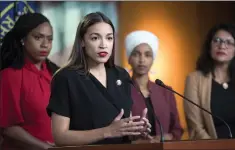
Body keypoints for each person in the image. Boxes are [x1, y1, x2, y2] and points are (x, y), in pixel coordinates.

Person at [46, 12, 151, 146]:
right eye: (95, 38)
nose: (103, 45)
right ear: (82, 41)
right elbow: (60, 137)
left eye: (109, 38)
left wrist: (135, 131)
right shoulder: (66, 78)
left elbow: (122, 131)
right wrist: (107, 131)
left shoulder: (121, 75)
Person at [0, 13, 59, 150]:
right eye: (38, 37)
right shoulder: (10, 76)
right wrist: (46, 148)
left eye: (50, 39)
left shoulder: (56, 74)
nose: (45, 44)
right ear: (23, 39)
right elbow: (8, 129)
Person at [125, 30, 183, 142]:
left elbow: (177, 130)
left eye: (147, 55)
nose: (142, 60)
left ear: (153, 59)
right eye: (136, 54)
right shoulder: (121, 91)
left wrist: (161, 138)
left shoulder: (166, 92)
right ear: (129, 58)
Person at [184, 23, 235, 139]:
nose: (222, 46)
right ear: (209, 46)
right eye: (217, 40)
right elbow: (195, 127)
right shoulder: (194, 80)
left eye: (229, 42)